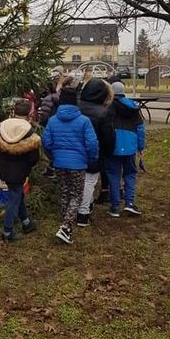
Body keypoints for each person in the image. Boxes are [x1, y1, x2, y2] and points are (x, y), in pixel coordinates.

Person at [42, 87, 98, 245]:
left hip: (59, 163)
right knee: (76, 195)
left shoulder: (53, 120)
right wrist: (91, 158)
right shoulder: (83, 121)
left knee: (64, 192)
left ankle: (65, 220)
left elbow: (46, 141)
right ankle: (66, 227)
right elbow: (92, 143)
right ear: (76, 102)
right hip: (78, 164)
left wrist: (52, 157)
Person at [0, 98, 41, 243]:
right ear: (29, 113)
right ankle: (7, 231)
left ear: (14, 111)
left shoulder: (3, 126)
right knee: (14, 198)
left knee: (17, 193)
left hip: (5, 167)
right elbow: (33, 157)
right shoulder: (28, 130)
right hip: (20, 170)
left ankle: (26, 222)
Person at [76, 79, 115, 226]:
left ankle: (85, 204)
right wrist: (108, 152)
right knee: (89, 182)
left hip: (75, 150)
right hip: (94, 152)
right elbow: (108, 137)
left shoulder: (76, 107)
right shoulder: (104, 112)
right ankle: (83, 213)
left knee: (77, 182)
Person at [105, 82, 146, 217]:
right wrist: (140, 147)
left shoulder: (108, 107)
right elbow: (140, 128)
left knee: (113, 174)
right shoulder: (133, 107)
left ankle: (115, 206)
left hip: (113, 145)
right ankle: (129, 202)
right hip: (130, 145)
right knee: (130, 174)